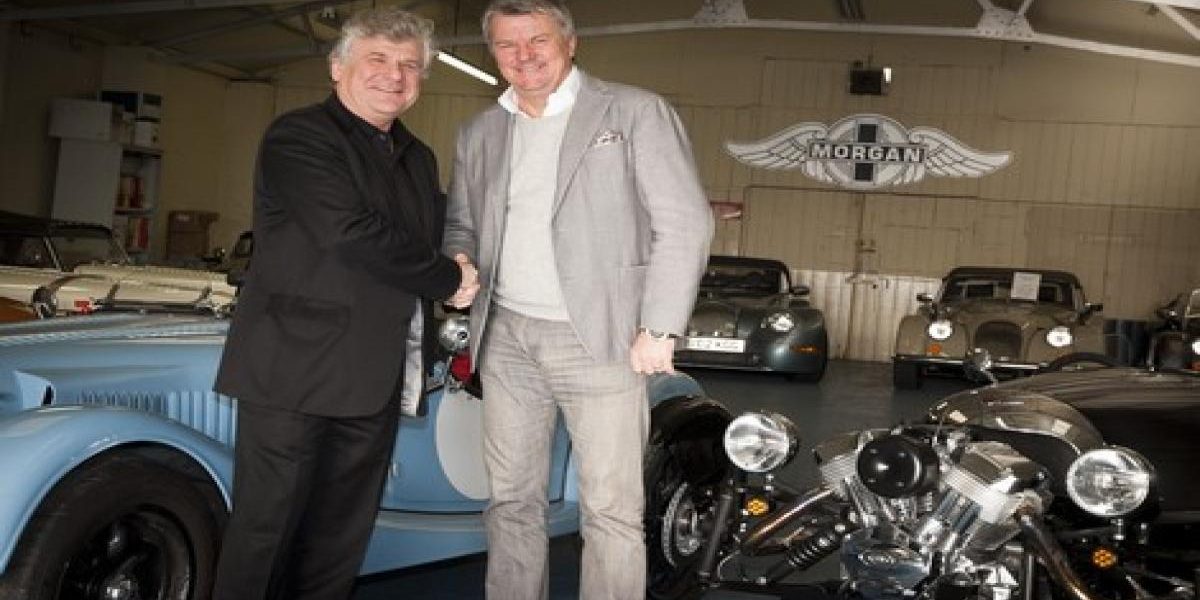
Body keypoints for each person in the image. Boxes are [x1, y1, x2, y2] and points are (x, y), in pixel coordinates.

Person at [442, 1, 714, 598]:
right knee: (511, 501)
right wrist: (459, 260)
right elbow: (461, 223)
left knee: (610, 509)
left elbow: (685, 223)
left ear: (570, 43)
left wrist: (660, 326)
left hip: (603, 337)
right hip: (505, 337)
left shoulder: (635, 112)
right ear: (494, 54)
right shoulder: (479, 132)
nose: (524, 56)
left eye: (537, 40)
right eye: (507, 45)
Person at [210, 7, 477, 599]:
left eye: (410, 65)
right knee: (267, 534)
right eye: (377, 59)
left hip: (373, 377)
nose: (394, 75)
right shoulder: (300, 137)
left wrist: (470, 261)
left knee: (339, 540)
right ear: (338, 67)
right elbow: (349, 233)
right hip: (293, 375)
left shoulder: (416, 156)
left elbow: (438, 230)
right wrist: (447, 278)